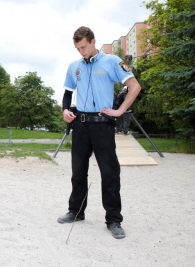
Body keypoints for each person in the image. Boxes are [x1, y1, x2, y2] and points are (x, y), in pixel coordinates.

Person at [58, 26, 141, 239]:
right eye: (77, 48)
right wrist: (66, 110)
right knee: (78, 172)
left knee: (110, 173)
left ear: (93, 41)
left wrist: (120, 111)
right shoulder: (74, 66)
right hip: (81, 125)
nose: (81, 52)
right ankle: (76, 211)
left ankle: (113, 220)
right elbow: (67, 94)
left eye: (84, 47)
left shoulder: (112, 61)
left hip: (103, 124)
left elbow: (134, 86)